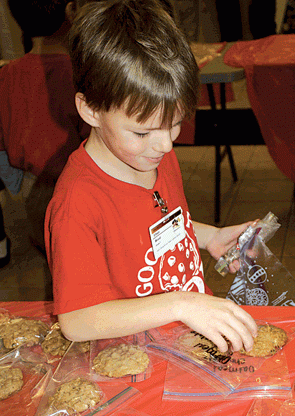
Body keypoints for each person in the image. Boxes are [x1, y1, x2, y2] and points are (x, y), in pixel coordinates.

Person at [44, 0, 258, 354]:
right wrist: (180, 304)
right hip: (136, 361)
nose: (166, 143)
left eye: (175, 123)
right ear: (91, 109)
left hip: (183, 344)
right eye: (143, 132)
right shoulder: (77, 203)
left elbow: (155, 226)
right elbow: (76, 319)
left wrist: (209, 237)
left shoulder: (148, 156)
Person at [0, 0, 90, 262]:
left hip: (33, 193)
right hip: (78, 188)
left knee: (56, 263)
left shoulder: (7, 76)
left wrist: (17, 185)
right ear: (71, 10)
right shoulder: (78, 75)